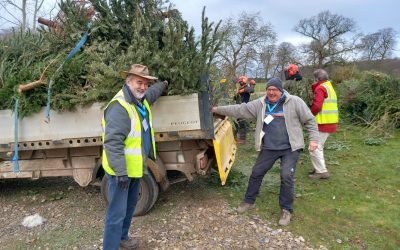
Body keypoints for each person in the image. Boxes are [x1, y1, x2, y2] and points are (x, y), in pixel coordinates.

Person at [212, 77, 318, 226]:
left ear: (281, 91)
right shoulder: (261, 104)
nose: (271, 92)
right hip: (269, 147)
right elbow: (240, 109)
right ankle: (249, 201)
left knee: (286, 175)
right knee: (256, 173)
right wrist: (216, 109)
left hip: (290, 147)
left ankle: (286, 210)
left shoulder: (294, 102)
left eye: (275, 90)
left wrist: (314, 139)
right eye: (269, 90)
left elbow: (310, 120)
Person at [102, 64, 168, 250]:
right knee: (116, 214)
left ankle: (123, 239)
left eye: (146, 84)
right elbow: (112, 143)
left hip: (136, 168)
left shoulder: (141, 100)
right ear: (128, 81)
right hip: (120, 173)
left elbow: (153, 92)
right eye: (140, 82)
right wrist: (121, 172)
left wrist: (163, 84)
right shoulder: (120, 107)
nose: (143, 87)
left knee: (129, 209)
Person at [308, 69, 338, 179]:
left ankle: (321, 171)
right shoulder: (329, 86)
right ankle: (318, 168)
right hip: (330, 121)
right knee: (319, 146)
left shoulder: (320, 88)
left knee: (315, 147)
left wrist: (309, 116)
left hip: (323, 122)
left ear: (317, 79)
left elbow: (317, 106)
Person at [233, 76, 255, 144]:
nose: (240, 83)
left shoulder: (247, 87)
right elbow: (235, 98)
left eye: (240, 82)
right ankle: (235, 137)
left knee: (241, 123)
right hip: (238, 107)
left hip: (244, 108)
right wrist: (236, 94)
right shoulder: (240, 88)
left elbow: (251, 90)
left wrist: (242, 91)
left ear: (243, 82)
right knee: (237, 123)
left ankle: (242, 139)